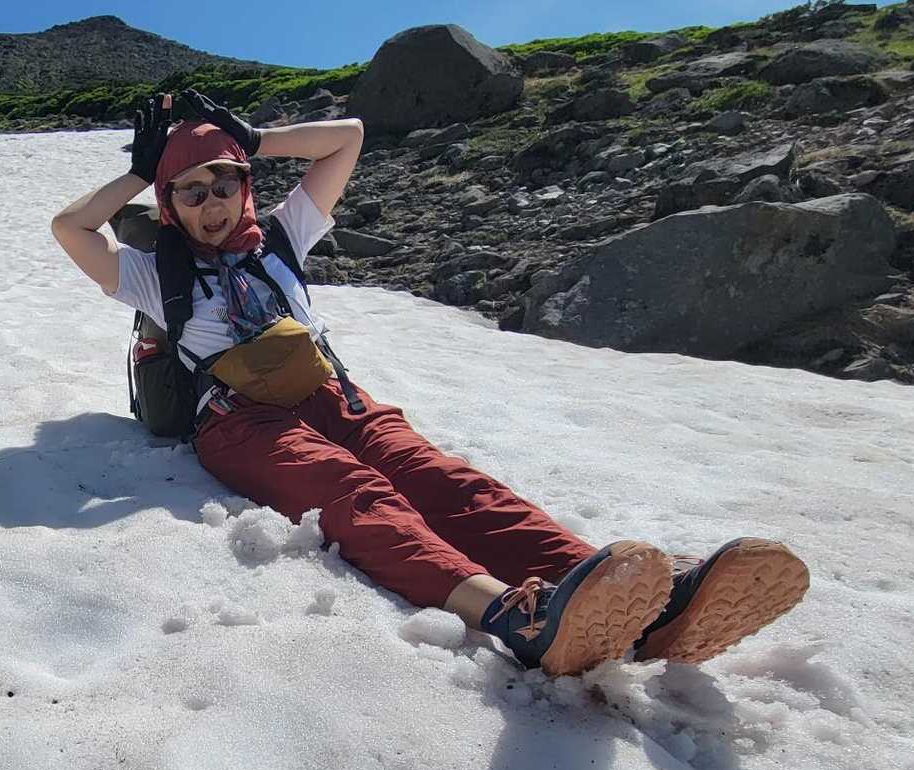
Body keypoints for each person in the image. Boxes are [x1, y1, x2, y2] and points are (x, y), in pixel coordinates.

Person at [50, 92, 809, 677]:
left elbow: (348, 137)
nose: (212, 204)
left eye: (224, 183)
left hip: (331, 396)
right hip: (240, 422)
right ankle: (513, 617)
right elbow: (70, 228)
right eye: (190, 192)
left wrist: (250, 137)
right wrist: (144, 170)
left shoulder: (280, 238)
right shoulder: (155, 275)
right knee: (350, 490)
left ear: (245, 186)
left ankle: (633, 598)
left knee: (447, 482)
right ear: (170, 206)